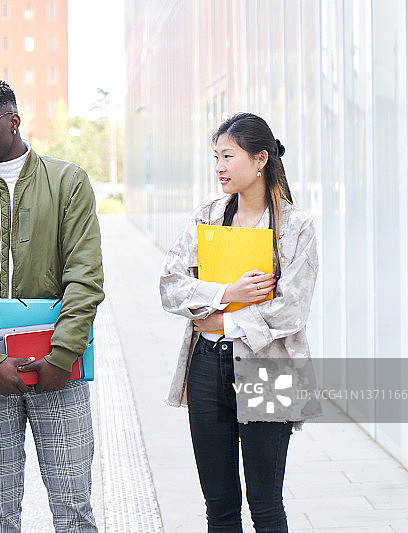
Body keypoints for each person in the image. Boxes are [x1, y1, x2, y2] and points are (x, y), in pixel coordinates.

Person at [0, 79, 104, 532]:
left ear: (13, 121)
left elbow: (85, 277)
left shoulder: (67, 181)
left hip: (60, 370)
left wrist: (62, 356)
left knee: (74, 510)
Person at [159, 113, 321, 532]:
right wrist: (228, 293)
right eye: (216, 157)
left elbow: (292, 308)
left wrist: (222, 321)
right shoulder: (207, 218)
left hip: (269, 368)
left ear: (260, 159)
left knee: (265, 505)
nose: (219, 167)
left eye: (228, 156)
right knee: (219, 505)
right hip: (206, 366)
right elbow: (171, 285)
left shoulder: (296, 227)